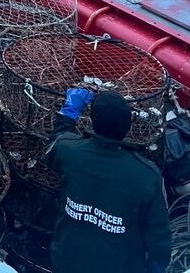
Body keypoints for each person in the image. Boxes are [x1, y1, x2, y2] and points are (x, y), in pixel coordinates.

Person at [42, 89, 171, 273]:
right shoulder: (147, 175)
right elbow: (159, 238)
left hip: (67, 261)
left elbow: (53, 144)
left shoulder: (70, 151)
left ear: (93, 122)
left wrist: (70, 112)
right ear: (128, 127)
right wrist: (155, 268)